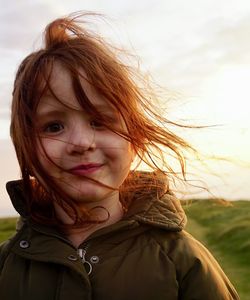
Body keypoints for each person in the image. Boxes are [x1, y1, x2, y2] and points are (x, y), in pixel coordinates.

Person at [0, 12, 239, 300]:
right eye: (54, 126)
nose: (81, 142)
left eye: (99, 121)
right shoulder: (7, 266)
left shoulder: (183, 261)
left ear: (135, 138)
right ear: (26, 148)